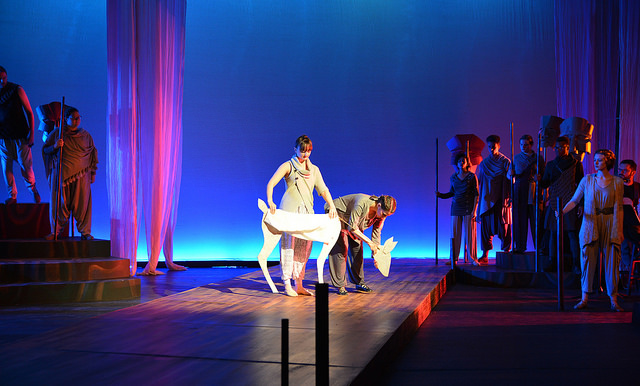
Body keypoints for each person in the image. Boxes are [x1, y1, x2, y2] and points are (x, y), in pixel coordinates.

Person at [266, 135, 337, 297]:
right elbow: (271, 183)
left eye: (309, 151)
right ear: (295, 149)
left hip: (307, 213)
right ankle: (286, 283)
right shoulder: (288, 166)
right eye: (302, 151)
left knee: (304, 249)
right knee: (288, 247)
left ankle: (299, 283)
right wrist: (270, 200)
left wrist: (332, 205)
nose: (305, 154)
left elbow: (323, 189)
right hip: (290, 213)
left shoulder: (314, 170)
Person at [560, 149, 624, 312]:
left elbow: (619, 207)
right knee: (587, 260)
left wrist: (619, 229)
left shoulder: (617, 182)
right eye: (595, 159)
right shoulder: (587, 180)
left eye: (600, 160)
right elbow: (575, 200)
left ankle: (613, 299)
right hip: (591, 223)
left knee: (612, 262)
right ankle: (584, 298)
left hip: (610, 222)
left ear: (607, 162)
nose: (596, 162)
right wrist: (562, 211)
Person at [43, 107, 98, 240]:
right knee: (59, 203)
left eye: (78, 118)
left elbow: (92, 154)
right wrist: (55, 146)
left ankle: (85, 232)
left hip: (81, 175)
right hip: (62, 174)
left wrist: (93, 173)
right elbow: (46, 150)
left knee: (82, 204)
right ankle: (55, 231)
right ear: (65, 119)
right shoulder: (57, 133)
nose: (76, 120)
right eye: (73, 118)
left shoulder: (86, 136)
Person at [325, 194, 396, 295]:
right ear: (379, 205)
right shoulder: (361, 203)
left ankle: (359, 282)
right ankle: (340, 285)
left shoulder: (380, 214)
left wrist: (376, 255)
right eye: (384, 214)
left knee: (357, 250)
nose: (385, 217)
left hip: (354, 224)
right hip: (338, 215)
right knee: (340, 249)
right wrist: (369, 242)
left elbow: (376, 231)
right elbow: (352, 228)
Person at [540, 136, 583, 272]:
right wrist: (539, 180)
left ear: (567, 147)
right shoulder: (551, 165)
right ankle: (552, 261)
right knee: (553, 233)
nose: (559, 150)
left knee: (571, 233)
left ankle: (577, 263)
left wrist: (581, 204)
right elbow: (545, 183)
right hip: (554, 201)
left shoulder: (576, 164)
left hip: (570, 201)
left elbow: (581, 186)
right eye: (557, 148)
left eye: (562, 147)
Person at [0, 66, 40, 204]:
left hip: (20, 137)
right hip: (3, 139)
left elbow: (29, 112)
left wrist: (32, 134)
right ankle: (12, 196)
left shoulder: (16, 89)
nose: (1, 81)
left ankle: (33, 190)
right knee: (6, 169)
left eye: (3, 78)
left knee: (26, 167)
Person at [436, 153, 479, 264]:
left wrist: (474, 210)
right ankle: (453, 258)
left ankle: (472, 258)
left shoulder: (471, 176)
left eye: (463, 160)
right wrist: (440, 195)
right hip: (456, 207)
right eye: (459, 160)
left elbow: (476, 194)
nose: (461, 162)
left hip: (468, 207)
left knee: (470, 234)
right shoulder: (453, 177)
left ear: (467, 163)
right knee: (454, 234)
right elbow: (452, 192)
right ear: (457, 163)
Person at [476, 135, 511, 263]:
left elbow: (510, 180)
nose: (491, 149)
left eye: (494, 147)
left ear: (499, 146)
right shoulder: (484, 163)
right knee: (486, 227)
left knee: (504, 226)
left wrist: (510, 197)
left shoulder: (505, 162)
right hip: (487, 199)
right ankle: (485, 255)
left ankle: (506, 252)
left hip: (501, 198)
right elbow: (479, 181)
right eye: (489, 147)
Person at [512, 134, 544, 254]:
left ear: (531, 145)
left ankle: (539, 247)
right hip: (520, 191)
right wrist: (511, 173)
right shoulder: (516, 158)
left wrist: (539, 178)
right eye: (521, 144)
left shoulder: (538, 158)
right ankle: (520, 246)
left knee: (536, 220)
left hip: (534, 191)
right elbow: (511, 175)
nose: (523, 147)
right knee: (520, 220)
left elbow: (544, 176)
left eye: (525, 144)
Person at [618, 159, 640, 274]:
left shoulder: (637, 188)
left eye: (625, 170)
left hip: (633, 224)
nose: (621, 172)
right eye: (620, 170)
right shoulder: (615, 186)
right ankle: (627, 272)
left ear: (633, 172)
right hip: (618, 224)